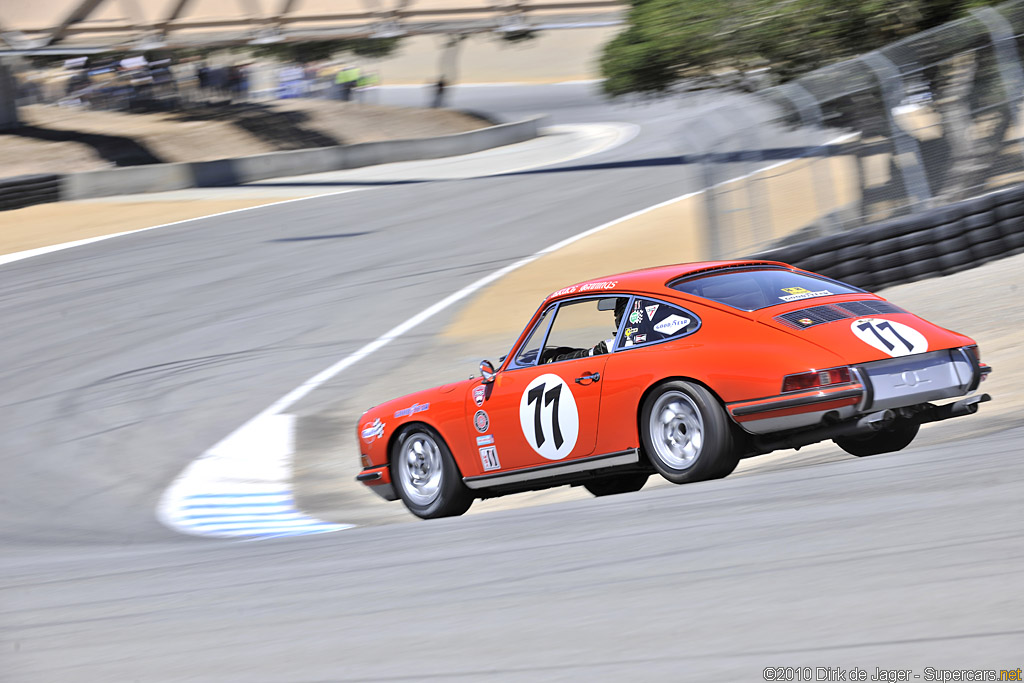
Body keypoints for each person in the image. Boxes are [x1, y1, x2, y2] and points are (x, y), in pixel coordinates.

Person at [547, 298, 627, 363]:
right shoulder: (632, 343)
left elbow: (587, 355)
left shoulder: (614, 346)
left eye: (617, 315)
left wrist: (555, 360)